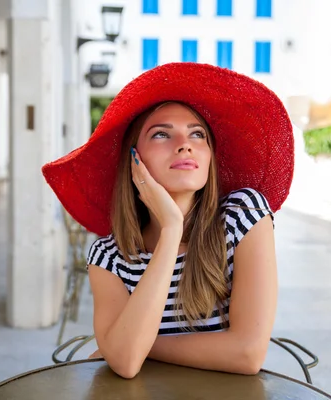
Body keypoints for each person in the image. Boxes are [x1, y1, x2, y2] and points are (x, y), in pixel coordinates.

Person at [42, 62, 294, 379]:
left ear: (210, 157)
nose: (184, 144)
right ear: (134, 160)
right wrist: (171, 230)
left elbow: (247, 353)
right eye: (162, 134)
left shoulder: (243, 216)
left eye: (197, 134)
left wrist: (130, 344)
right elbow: (127, 365)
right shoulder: (109, 257)